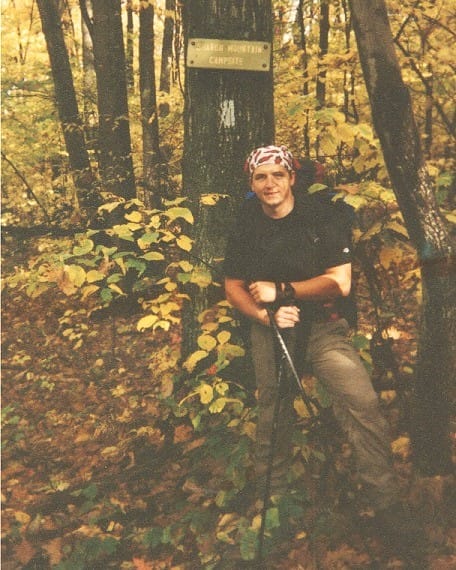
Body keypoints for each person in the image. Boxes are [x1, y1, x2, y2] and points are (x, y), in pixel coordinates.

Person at [223, 144, 423, 551]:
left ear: (292, 178)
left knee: (362, 403)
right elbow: (232, 287)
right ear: (251, 183)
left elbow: (340, 282)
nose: (270, 184)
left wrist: (282, 291)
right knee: (273, 409)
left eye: (278, 175)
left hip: (323, 329)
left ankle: (386, 505)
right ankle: (273, 501)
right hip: (273, 328)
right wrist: (265, 317)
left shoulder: (322, 217)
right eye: (260, 177)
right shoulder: (247, 221)